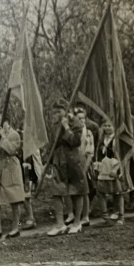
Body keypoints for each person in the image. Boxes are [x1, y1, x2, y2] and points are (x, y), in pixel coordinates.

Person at [46, 99, 84, 236]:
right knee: (57, 191)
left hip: (72, 160)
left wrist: (67, 127)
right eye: (54, 111)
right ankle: (60, 223)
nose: (56, 114)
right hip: (58, 160)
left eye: (59, 110)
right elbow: (52, 144)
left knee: (76, 190)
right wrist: (48, 161)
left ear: (66, 110)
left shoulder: (76, 123)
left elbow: (75, 141)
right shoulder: (54, 125)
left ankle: (77, 222)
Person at [0, 115, 24, 239]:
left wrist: (3, 137)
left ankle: (16, 227)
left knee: (14, 198)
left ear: (7, 122)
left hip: (10, 167)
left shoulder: (14, 135)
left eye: (0, 120)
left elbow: (12, 150)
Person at [93, 121, 127, 225]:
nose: (107, 128)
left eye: (109, 126)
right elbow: (98, 154)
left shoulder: (117, 140)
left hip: (114, 168)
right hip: (103, 169)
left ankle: (121, 216)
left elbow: (122, 156)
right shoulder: (101, 139)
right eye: (105, 126)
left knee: (118, 192)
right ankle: (105, 215)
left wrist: (116, 169)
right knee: (100, 191)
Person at [72, 103, 97, 227]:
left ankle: (86, 215)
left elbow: (90, 152)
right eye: (79, 118)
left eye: (83, 118)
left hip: (85, 163)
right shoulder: (74, 132)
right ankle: (76, 213)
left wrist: (85, 168)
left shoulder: (88, 133)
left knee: (84, 191)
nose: (81, 121)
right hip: (74, 163)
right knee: (75, 190)